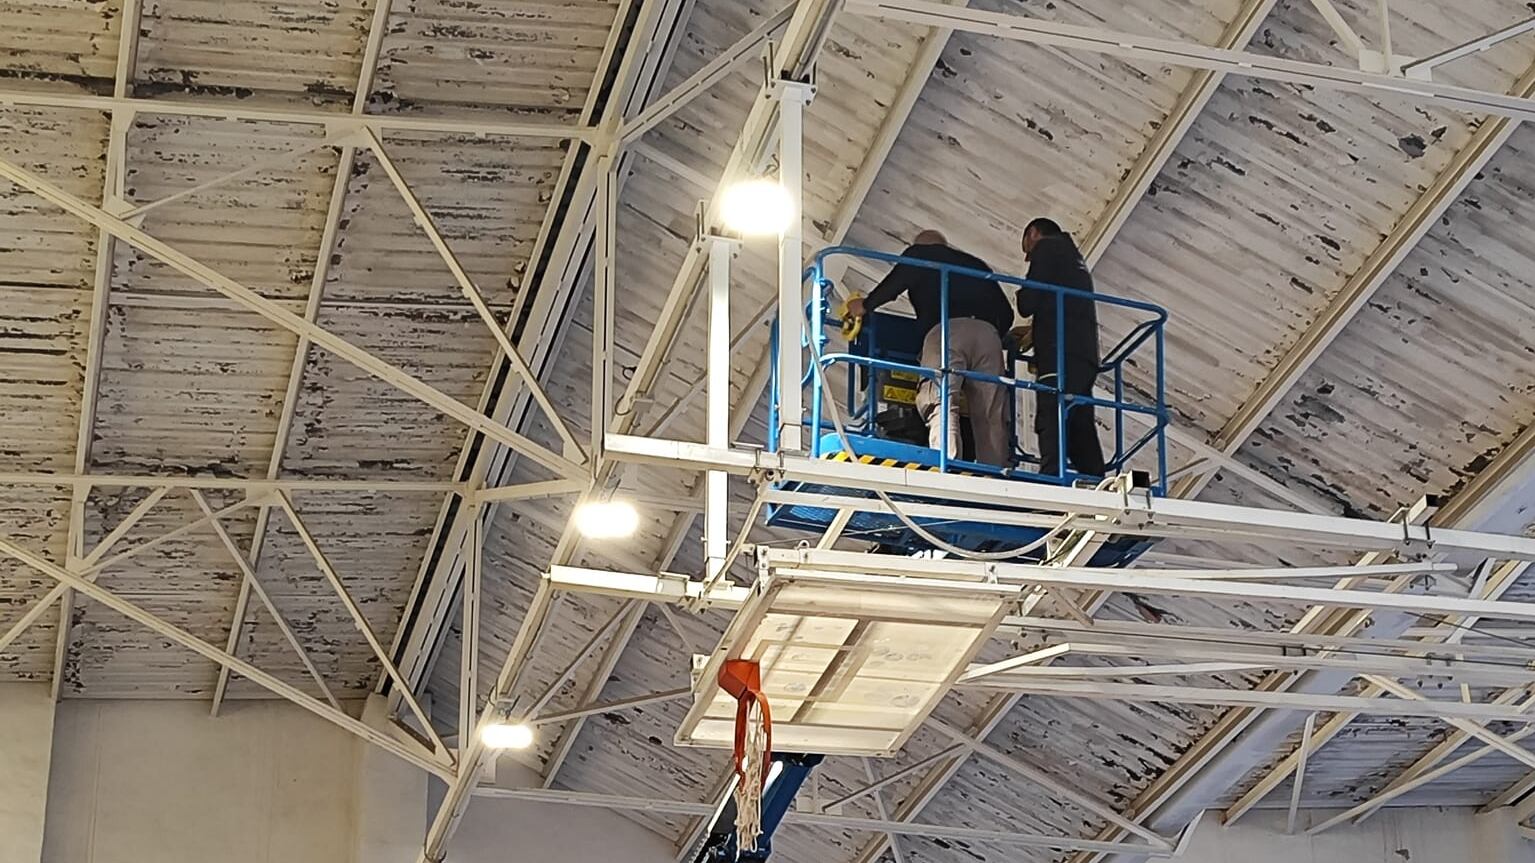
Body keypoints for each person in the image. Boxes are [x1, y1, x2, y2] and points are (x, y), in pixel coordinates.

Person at [846, 230, 1014, 466]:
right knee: (991, 410)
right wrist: (993, 335)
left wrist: (865, 305)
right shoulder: (976, 264)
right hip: (988, 335)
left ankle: (947, 462)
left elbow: (894, 285)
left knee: (941, 400)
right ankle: (995, 471)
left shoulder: (920, 254)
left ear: (920, 245)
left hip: (947, 331)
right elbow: (1007, 314)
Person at [1016, 218, 1105, 478]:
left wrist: (1021, 297)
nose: (1028, 259)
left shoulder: (1047, 248)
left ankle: (1052, 477)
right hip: (1083, 352)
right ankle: (1095, 478)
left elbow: (1028, 301)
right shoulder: (1072, 256)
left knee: (1052, 414)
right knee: (1079, 419)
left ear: (1033, 233)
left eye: (1027, 251)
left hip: (1059, 352)